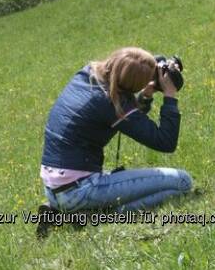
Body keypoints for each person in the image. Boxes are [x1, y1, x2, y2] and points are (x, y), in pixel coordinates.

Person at [37, 47, 193, 236]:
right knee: (182, 183)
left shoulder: (86, 74)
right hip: (79, 191)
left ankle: (61, 210)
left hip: (55, 188)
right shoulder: (110, 102)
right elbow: (165, 142)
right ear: (131, 86)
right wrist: (169, 95)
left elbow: (128, 118)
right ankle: (92, 216)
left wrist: (145, 94)